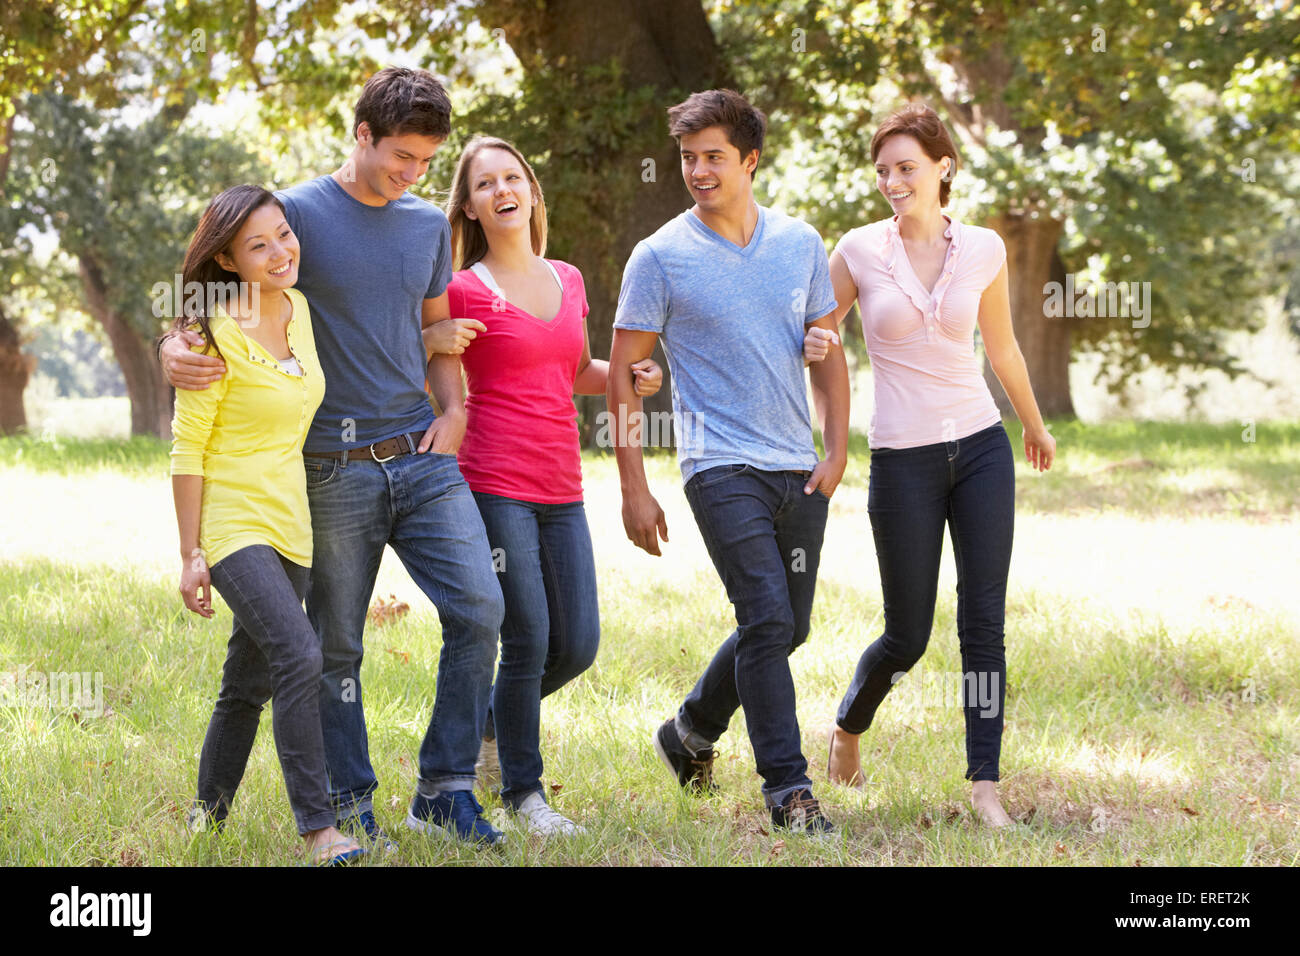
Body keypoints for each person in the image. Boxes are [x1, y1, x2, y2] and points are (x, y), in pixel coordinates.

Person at [160, 67, 507, 847]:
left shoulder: (426, 227)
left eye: (425, 161)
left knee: (482, 607)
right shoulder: (297, 217)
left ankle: (447, 789)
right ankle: (347, 809)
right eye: (401, 157)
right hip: (330, 468)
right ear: (362, 135)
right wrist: (171, 344)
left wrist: (454, 408)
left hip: (421, 453)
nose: (413, 174)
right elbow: (222, 286)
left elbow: (433, 327)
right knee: (333, 645)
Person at [803, 102, 1057, 828]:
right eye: (883, 170)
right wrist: (820, 363)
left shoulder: (983, 248)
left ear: (944, 168)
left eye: (906, 167)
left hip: (980, 448)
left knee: (984, 623)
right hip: (903, 459)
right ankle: (849, 725)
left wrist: (1031, 425)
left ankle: (985, 783)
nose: (892, 180)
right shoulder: (855, 250)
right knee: (908, 634)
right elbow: (818, 337)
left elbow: (1001, 348)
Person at [608, 90, 851, 835]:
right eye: (688, 158)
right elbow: (624, 372)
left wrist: (838, 449)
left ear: (750, 159)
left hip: (798, 465)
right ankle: (789, 790)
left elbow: (827, 348)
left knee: (787, 627)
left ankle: (688, 732)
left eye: (714, 156)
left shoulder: (801, 244)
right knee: (766, 615)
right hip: (718, 465)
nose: (699, 171)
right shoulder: (660, 256)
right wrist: (633, 488)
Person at [424, 135, 663, 836]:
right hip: (494, 481)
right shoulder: (462, 288)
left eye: (511, 177)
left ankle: (484, 733)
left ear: (530, 188)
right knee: (526, 638)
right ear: (468, 205)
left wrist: (630, 378)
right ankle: (523, 796)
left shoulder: (567, 277)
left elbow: (575, 371)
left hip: (562, 486)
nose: (502, 190)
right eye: (484, 183)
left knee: (577, 643)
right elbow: (427, 362)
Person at [170, 184, 363, 865]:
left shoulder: (301, 309)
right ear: (226, 259)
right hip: (230, 523)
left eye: (283, 233)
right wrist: (191, 552)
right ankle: (319, 829)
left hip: (292, 523)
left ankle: (207, 814)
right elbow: (187, 449)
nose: (281, 251)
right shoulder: (208, 336)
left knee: (245, 680)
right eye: (259, 244)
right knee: (299, 653)